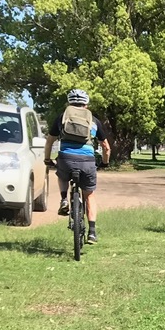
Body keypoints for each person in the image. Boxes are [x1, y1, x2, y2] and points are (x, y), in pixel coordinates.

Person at [45, 89, 111, 243]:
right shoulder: (94, 121)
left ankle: (64, 199)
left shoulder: (61, 118)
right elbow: (106, 147)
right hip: (87, 161)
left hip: (66, 158)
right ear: (86, 104)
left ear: (69, 103)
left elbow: (49, 142)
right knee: (89, 195)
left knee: (61, 175)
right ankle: (92, 232)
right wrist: (105, 162)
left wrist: (47, 159)